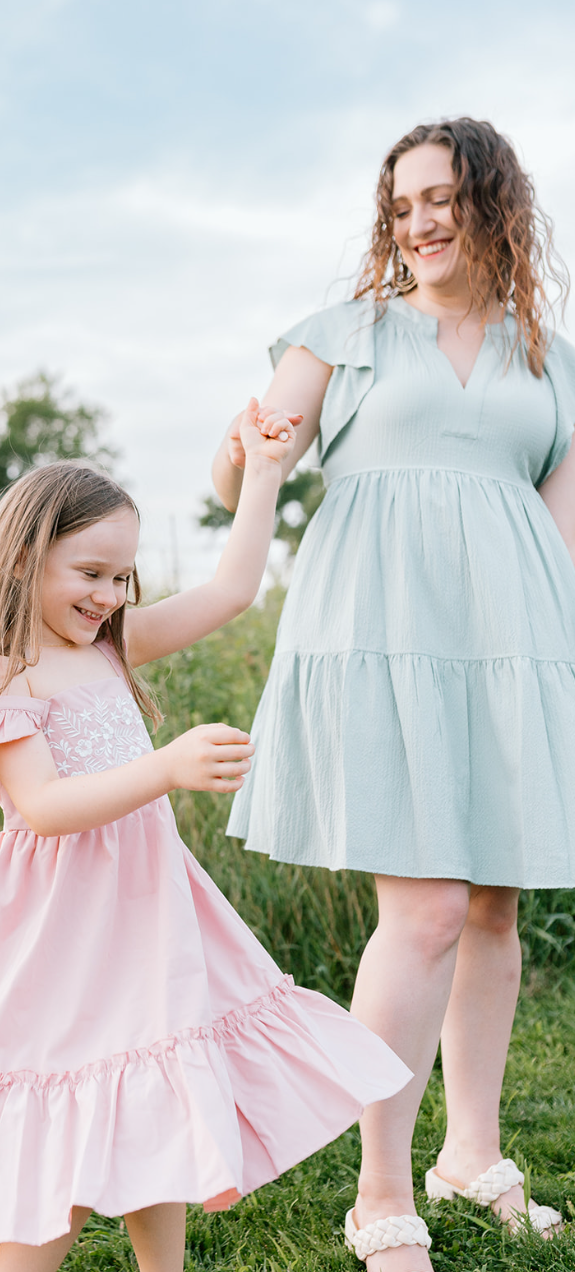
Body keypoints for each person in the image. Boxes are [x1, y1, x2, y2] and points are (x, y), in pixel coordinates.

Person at [0, 406, 411, 1272]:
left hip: (146, 918)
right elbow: (43, 807)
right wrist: (166, 767)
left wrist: (265, 474)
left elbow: (229, 592)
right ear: (24, 559)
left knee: (154, 1104)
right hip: (62, 936)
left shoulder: (110, 645)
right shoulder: (4, 669)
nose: (110, 597)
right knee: (66, 1138)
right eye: (90, 573)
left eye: (123, 578)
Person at [212, 117, 575, 1269]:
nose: (417, 221)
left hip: (510, 642)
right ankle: (378, 1192)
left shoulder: (550, 356)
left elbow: (561, 527)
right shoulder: (347, 333)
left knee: (489, 910)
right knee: (419, 910)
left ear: (493, 207)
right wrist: (241, 452)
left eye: (441, 198)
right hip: (377, 634)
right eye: (401, 202)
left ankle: (470, 1157)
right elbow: (240, 465)